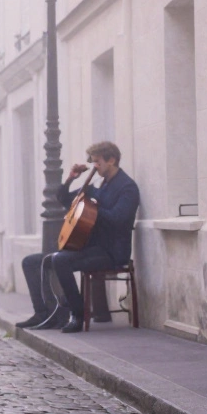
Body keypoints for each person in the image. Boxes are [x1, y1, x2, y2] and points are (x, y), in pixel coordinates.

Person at [15, 141, 140, 334]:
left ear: (112, 160)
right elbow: (63, 199)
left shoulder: (127, 188)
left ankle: (77, 315)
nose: (94, 167)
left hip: (112, 252)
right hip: (87, 248)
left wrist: (94, 207)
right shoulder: (99, 186)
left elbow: (119, 219)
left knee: (61, 261)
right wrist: (71, 179)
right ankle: (43, 313)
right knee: (30, 262)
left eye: (97, 162)